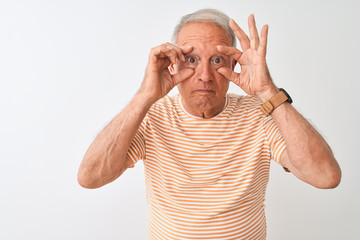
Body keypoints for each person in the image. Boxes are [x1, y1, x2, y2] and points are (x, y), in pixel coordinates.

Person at [78, 9, 341, 239]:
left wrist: (267, 90)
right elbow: (90, 178)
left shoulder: (261, 113)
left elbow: (325, 176)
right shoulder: (151, 115)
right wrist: (143, 97)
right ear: (172, 64)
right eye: (192, 60)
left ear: (234, 64)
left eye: (216, 60)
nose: (205, 76)